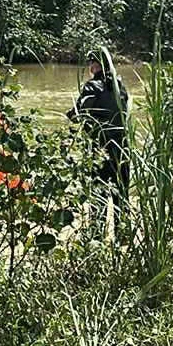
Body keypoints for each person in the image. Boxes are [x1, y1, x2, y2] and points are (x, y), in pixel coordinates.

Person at [67, 52, 130, 237]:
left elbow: (79, 112)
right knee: (121, 196)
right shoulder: (120, 86)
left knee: (99, 195)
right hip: (122, 147)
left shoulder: (92, 86)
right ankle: (123, 238)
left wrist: (69, 115)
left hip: (100, 148)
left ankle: (96, 237)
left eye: (91, 64)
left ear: (95, 66)